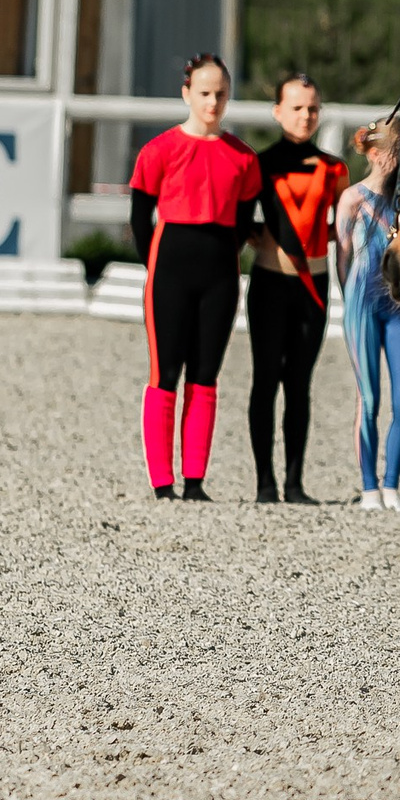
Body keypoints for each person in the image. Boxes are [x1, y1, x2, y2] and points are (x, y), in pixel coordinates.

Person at [127, 54, 261, 500]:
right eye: (204, 92)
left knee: (205, 375)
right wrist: (156, 264)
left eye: (221, 93)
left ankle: (195, 480)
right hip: (169, 271)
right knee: (165, 373)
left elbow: (244, 222)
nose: (213, 101)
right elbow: (139, 216)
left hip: (220, 273)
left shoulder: (243, 158)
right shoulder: (159, 150)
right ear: (186, 93)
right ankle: (162, 482)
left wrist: (223, 258)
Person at [246, 72, 347, 506]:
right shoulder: (259, 164)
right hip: (269, 284)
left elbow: (342, 226)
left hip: (313, 288)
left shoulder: (334, 168)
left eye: (312, 108)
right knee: (266, 380)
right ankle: (265, 484)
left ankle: (294, 483)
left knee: (299, 384)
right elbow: (239, 216)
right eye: (297, 108)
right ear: (277, 112)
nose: (306, 116)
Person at [334, 120, 400, 511]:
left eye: (396, 149)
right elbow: (343, 257)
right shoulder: (352, 198)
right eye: (383, 149)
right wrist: (349, 303)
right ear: (368, 151)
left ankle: (392, 484)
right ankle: (369, 487)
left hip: (397, 308)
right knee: (368, 398)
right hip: (362, 304)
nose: (390, 157)